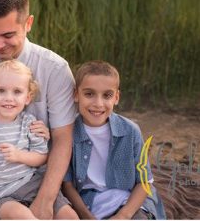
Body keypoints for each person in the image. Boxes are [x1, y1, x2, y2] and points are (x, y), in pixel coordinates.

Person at [0, 0, 77, 219]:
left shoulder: (54, 69)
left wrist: (45, 200)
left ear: (28, 23)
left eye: (8, 34)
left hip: (41, 175)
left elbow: (64, 140)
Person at [0, 60, 78, 219]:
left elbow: (41, 157)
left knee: (69, 216)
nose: (9, 98)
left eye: (17, 92)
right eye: (1, 91)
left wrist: (19, 155)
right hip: (3, 195)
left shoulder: (30, 123)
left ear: (27, 98)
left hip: (35, 184)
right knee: (23, 217)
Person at [61, 60, 167, 219]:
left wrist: (123, 216)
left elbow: (144, 182)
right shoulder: (68, 132)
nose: (98, 104)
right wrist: (86, 217)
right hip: (88, 204)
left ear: (116, 97)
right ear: (76, 95)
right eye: (89, 94)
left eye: (107, 95)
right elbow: (67, 185)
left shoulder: (130, 131)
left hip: (129, 202)